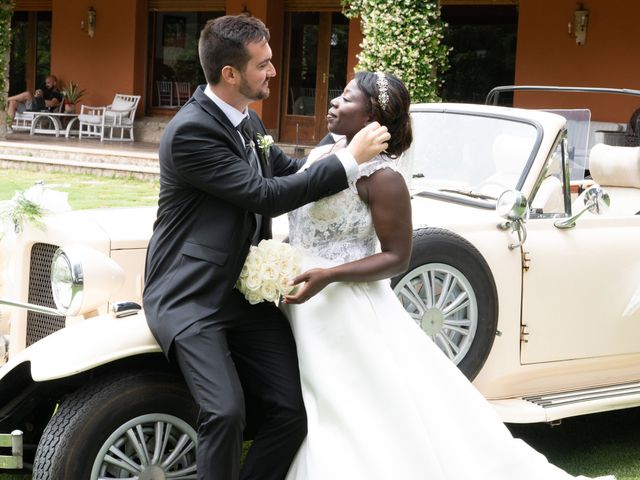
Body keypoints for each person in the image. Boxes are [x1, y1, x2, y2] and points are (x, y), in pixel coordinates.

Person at [281, 71, 615, 480]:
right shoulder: (325, 154)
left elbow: (398, 257)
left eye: (346, 98)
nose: (334, 102)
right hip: (300, 299)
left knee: (350, 406)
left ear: (372, 116)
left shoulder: (383, 178)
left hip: (343, 307)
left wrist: (330, 275)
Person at [142, 15, 390, 480]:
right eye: (264, 64)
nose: (275, 71)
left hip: (244, 297)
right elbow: (264, 194)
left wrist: (341, 143)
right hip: (189, 296)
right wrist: (349, 159)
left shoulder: (249, 120)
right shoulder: (191, 132)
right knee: (225, 411)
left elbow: (287, 170)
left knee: (291, 409)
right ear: (230, 74)